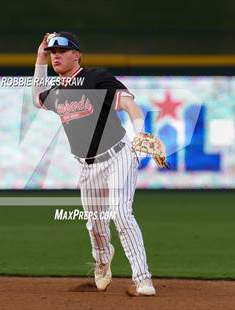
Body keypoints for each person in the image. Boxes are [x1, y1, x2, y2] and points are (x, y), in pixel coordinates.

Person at [32, 32, 156, 296]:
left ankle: (143, 279)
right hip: (87, 166)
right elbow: (37, 98)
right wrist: (39, 58)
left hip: (118, 155)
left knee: (121, 214)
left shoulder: (96, 78)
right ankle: (102, 261)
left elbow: (129, 104)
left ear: (76, 55)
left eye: (62, 51)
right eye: (52, 52)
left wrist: (140, 133)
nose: (56, 55)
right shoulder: (56, 92)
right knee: (95, 224)